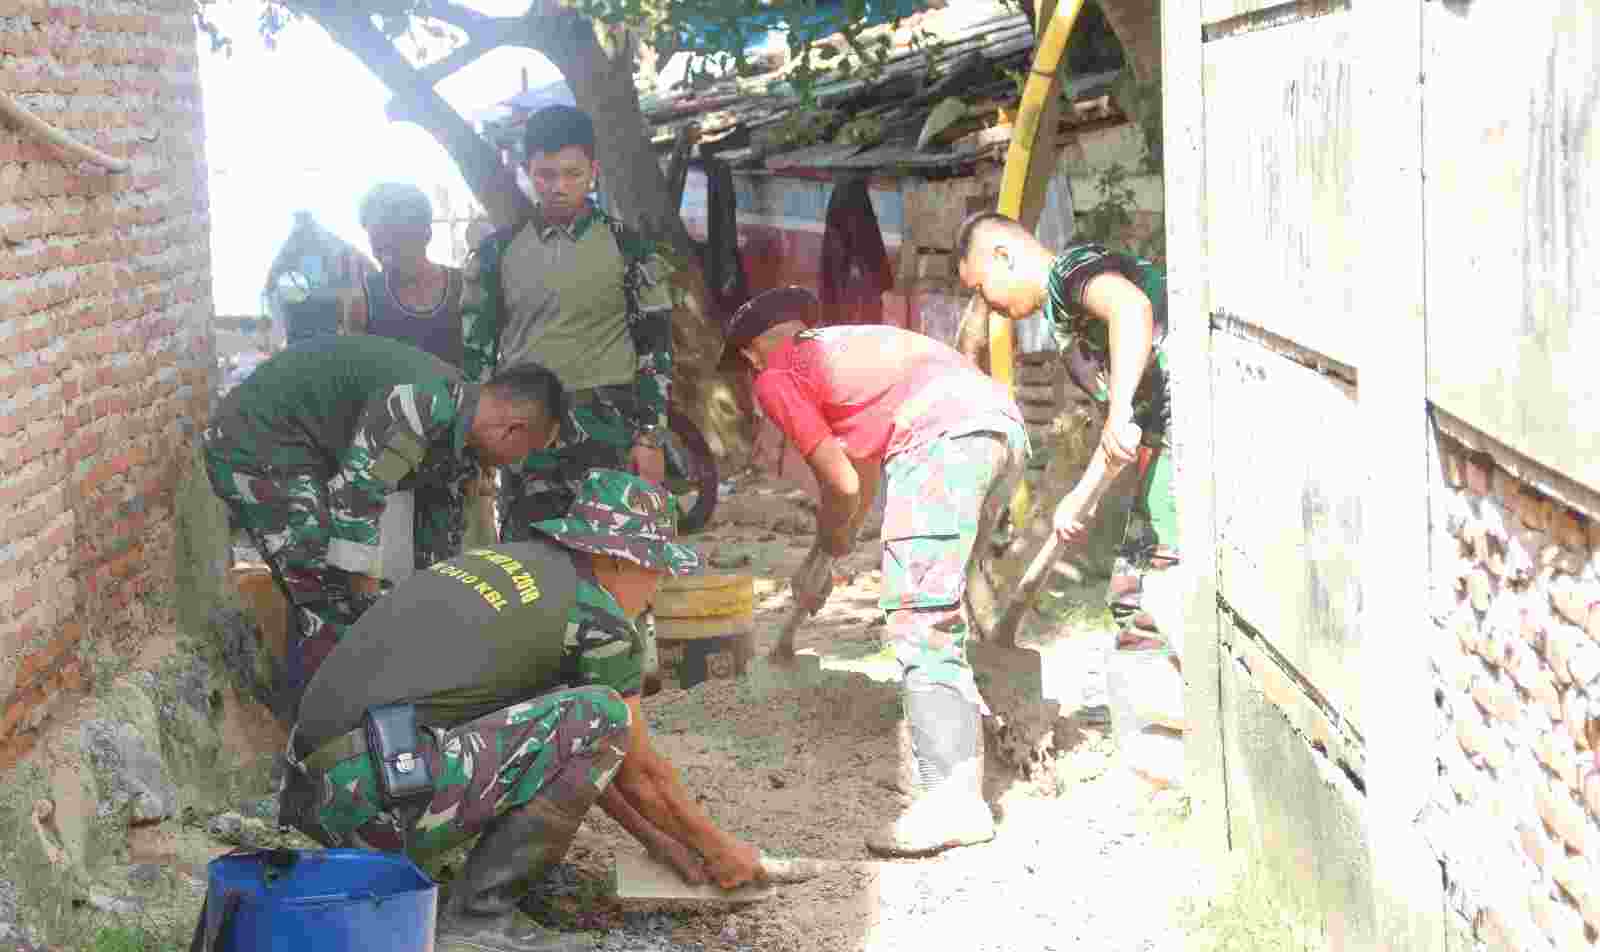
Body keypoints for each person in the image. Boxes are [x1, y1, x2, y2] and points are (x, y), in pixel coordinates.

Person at [278, 470, 766, 952]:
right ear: (616, 559)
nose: (655, 588)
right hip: (371, 807)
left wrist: (656, 837)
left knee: (592, 719)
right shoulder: (597, 619)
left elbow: (576, 755)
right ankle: (479, 921)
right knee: (604, 713)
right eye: (655, 569)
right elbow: (637, 769)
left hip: (318, 793)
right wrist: (719, 850)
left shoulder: (518, 571)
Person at [719, 286, 1030, 858]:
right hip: (1000, 429)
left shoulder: (776, 374)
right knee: (941, 597)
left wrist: (828, 541)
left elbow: (838, 486)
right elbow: (855, 486)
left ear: (749, 356)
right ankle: (967, 740)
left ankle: (954, 798)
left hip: (943, 439)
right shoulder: (847, 357)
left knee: (919, 617)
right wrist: (824, 557)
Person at [202, 335, 563, 702]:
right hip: (258, 438)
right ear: (512, 429)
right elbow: (355, 501)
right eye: (528, 451)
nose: (520, 464)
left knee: (370, 602)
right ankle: (324, 726)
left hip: (309, 452)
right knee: (327, 588)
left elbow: (440, 538)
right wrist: (370, 607)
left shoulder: (462, 433)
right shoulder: (421, 405)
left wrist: (435, 613)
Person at [954, 212, 1178, 661]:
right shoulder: (1065, 322)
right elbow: (1125, 428)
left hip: (1196, 416)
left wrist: (1116, 413)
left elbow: (1132, 308)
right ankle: (1163, 712)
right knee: (1136, 595)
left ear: (1004, 256)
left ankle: (1168, 716)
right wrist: (1082, 497)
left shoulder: (1070, 271)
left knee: (1152, 594)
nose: (986, 304)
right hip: (1165, 437)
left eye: (981, 288)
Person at [460, 104, 674, 533]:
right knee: (531, 570)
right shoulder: (494, 254)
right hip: (525, 434)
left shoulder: (630, 249)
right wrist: (478, 449)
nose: (559, 187)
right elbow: (476, 355)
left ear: (593, 170)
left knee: (615, 570)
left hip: (609, 429)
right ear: (527, 170)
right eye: (545, 175)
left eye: (573, 174)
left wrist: (650, 438)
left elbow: (656, 347)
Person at [344, 182, 466, 369]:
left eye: (394, 236)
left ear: (426, 234)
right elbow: (353, 376)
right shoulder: (363, 301)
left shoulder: (464, 287)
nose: (384, 254)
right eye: (376, 242)